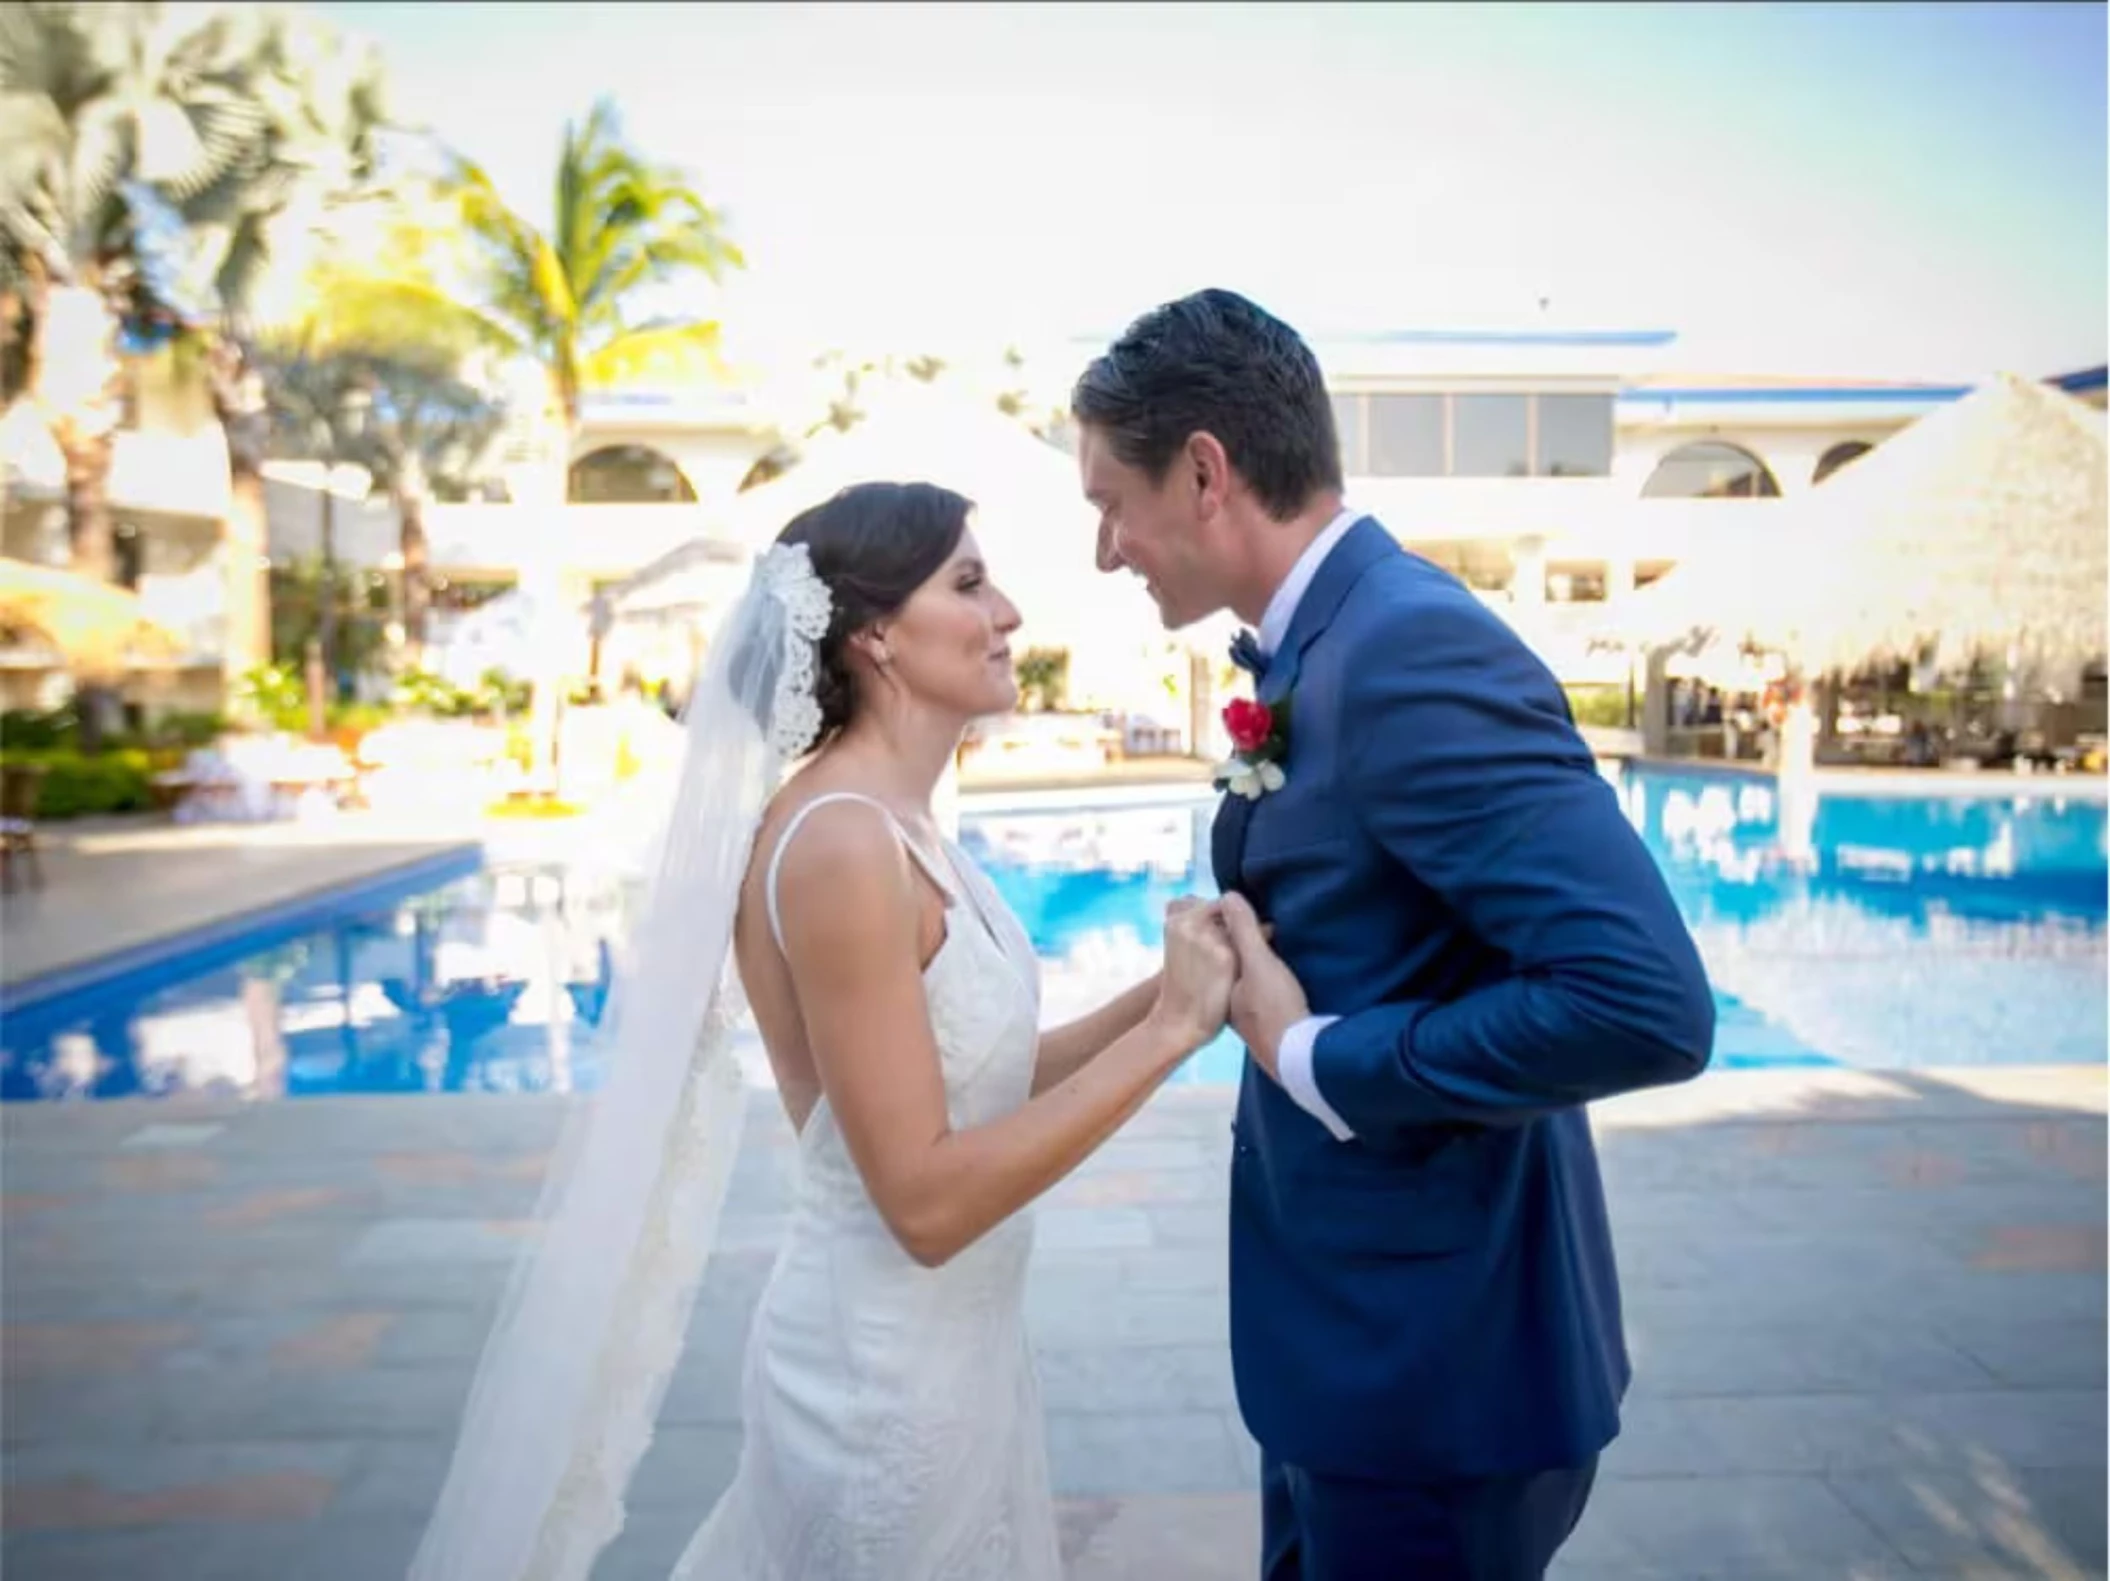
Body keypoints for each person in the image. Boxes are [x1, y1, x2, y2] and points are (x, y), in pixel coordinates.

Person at [407, 481, 1241, 1581]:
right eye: (969, 582)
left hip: (955, 1356)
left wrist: (1170, 991)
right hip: (881, 1385)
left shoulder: (899, 824)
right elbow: (925, 1203)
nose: (1010, 616)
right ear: (875, 638)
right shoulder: (841, 843)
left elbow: (979, 1081)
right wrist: (1171, 1038)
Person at [1072, 289, 1718, 1581]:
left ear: (1203, 471)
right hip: (1354, 1361)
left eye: (1108, 503)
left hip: (1437, 1378)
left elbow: (1643, 999)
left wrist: (1316, 1055)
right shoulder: (1322, 643)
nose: (1103, 550)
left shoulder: (1407, 648)